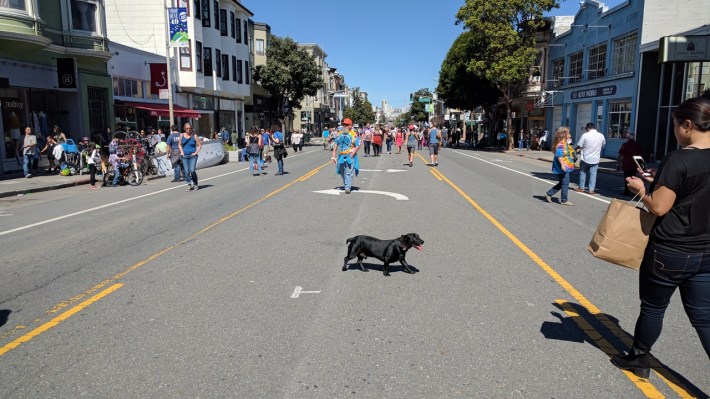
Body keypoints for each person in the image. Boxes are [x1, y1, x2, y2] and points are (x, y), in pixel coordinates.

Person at [611, 96, 710, 377]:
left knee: (653, 308)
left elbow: (659, 206)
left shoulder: (679, 158)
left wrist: (640, 187)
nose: (675, 131)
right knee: (704, 318)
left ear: (688, 125)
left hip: (671, 249)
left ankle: (639, 359)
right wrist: (661, 182)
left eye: (676, 125)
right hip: (705, 251)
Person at [544, 126, 575, 206]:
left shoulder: (563, 142)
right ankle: (564, 200)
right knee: (565, 183)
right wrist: (562, 165)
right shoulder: (561, 144)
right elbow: (559, 155)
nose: (569, 134)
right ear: (564, 134)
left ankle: (549, 193)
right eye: (567, 133)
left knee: (562, 182)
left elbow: (564, 153)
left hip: (562, 165)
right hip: (563, 166)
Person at [574, 122, 606, 194]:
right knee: (593, 174)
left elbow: (579, 145)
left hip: (585, 158)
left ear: (587, 128)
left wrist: (577, 149)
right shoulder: (601, 135)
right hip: (596, 158)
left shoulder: (585, 135)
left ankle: (581, 187)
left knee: (583, 172)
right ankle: (591, 190)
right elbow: (603, 145)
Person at [331, 117, 361, 194]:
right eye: (344, 124)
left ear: (351, 125)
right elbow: (336, 143)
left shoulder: (354, 134)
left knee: (348, 172)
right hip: (341, 156)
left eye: (347, 125)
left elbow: (357, 145)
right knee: (342, 172)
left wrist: (352, 155)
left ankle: (347, 187)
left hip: (349, 156)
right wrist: (334, 152)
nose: (345, 126)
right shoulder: (340, 133)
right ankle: (346, 183)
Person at [617, 130, 644, 196]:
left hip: (626, 164)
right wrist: (641, 166)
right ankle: (633, 192)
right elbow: (640, 156)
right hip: (634, 165)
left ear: (628, 138)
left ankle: (627, 191)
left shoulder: (625, 145)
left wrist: (618, 164)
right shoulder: (638, 145)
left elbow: (620, 155)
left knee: (626, 178)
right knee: (633, 178)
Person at [178, 123, 202, 191]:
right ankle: (189, 184)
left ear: (191, 128)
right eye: (187, 128)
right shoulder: (181, 135)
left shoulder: (194, 136)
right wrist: (182, 152)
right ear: (184, 129)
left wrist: (195, 152)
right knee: (186, 171)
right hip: (185, 155)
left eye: (189, 128)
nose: (188, 130)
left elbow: (200, 145)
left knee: (192, 170)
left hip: (192, 156)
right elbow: (179, 145)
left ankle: (195, 183)